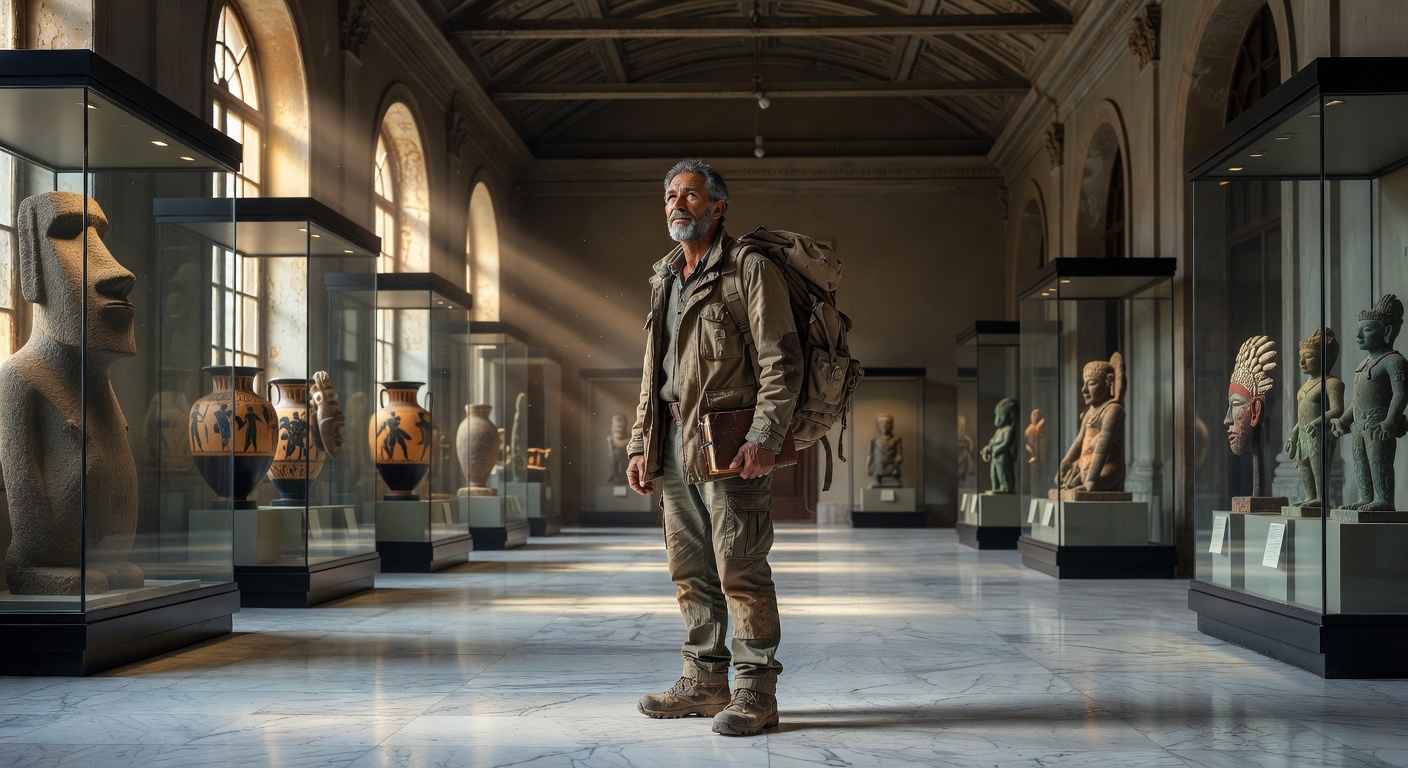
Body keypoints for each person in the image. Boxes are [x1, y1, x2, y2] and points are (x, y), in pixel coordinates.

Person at [627, 158, 801, 736]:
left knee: (740, 566)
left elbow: (783, 362)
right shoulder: (664, 276)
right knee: (690, 569)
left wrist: (764, 436)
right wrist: (639, 444)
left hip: (730, 445)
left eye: (692, 195)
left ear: (718, 207)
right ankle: (704, 683)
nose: (678, 203)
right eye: (671, 195)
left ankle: (756, 692)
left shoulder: (749, 269)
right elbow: (654, 371)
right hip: (672, 441)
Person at [1332, 295, 1408, 511]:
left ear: (1386, 332)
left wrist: (1391, 420)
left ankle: (1384, 500)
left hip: (1378, 423)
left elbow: (1401, 394)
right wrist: (1345, 420)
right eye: (1359, 330)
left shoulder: (1395, 361)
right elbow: (1356, 401)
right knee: (1361, 462)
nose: (1358, 336)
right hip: (1359, 424)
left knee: (1379, 462)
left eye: (1366, 330)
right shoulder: (1363, 364)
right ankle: (1365, 497)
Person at [1286, 329, 1343, 508]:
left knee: (1318, 465)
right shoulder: (1306, 386)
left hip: (1319, 432)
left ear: (1323, 358)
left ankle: (1321, 497)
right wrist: (1294, 433)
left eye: (1308, 356)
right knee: (1302, 464)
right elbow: (1302, 416)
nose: (1302, 362)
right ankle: (1311, 496)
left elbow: (1337, 410)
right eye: (1300, 357)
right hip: (1304, 432)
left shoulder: (1332, 383)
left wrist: (1318, 422)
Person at [1056, 354, 1126, 494]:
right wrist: (1066, 463)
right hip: (1086, 465)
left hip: (1106, 466)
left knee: (1080, 489)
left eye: (1092, 383)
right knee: (1062, 481)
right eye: (1084, 383)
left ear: (1108, 383)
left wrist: (1091, 480)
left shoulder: (1112, 410)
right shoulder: (1090, 412)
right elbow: (1079, 440)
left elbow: (1103, 446)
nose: (1084, 390)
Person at [867, 413, 903, 487]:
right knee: (876, 478)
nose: (884, 426)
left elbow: (899, 455)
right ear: (877, 426)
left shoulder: (896, 439)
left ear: (892, 425)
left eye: (887, 423)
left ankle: (893, 476)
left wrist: (897, 462)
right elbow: (870, 455)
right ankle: (877, 478)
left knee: (896, 477)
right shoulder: (874, 440)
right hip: (878, 466)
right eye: (881, 424)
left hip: (892, 465)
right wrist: (868, 468)